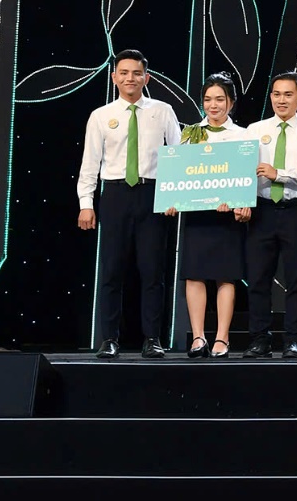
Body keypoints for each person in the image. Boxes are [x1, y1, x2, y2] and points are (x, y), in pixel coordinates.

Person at [77, 49, 181, 360]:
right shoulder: (100, 115)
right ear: (114, 77)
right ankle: (109, 339)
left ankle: (153, 338)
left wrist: (174, 196)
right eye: (123, 73)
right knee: (112, 271)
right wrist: (86, 203)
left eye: (136, 73)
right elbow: (90, 163)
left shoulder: (162, 111)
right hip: (115, 196)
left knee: (152, 272)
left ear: (146, 78)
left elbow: (179, 156)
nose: (130, 78)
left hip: (153, 195)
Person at [243, 71, 297, 360]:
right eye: (276, 94)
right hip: (261, 211)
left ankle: (293, 340)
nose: (281, 100)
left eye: (288, 94)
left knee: (296, 278)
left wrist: (279, 174)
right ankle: (259, 339)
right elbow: (243, 170)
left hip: (295, 211)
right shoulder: (254, 130)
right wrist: (241, 201)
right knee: (258, 278)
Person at [177, 72, 252, 359]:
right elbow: (179, 173)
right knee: (194, 275)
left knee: (226, 276)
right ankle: (198, 337)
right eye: (208, 99)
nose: (213, 105)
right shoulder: (190, 133)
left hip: (227, 218)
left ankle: (222, 337)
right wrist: (173, 200)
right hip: (198, 214)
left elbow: (247, 175)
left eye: (220, 99)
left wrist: (241, 202)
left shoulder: (243, 135)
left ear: (231, 102)